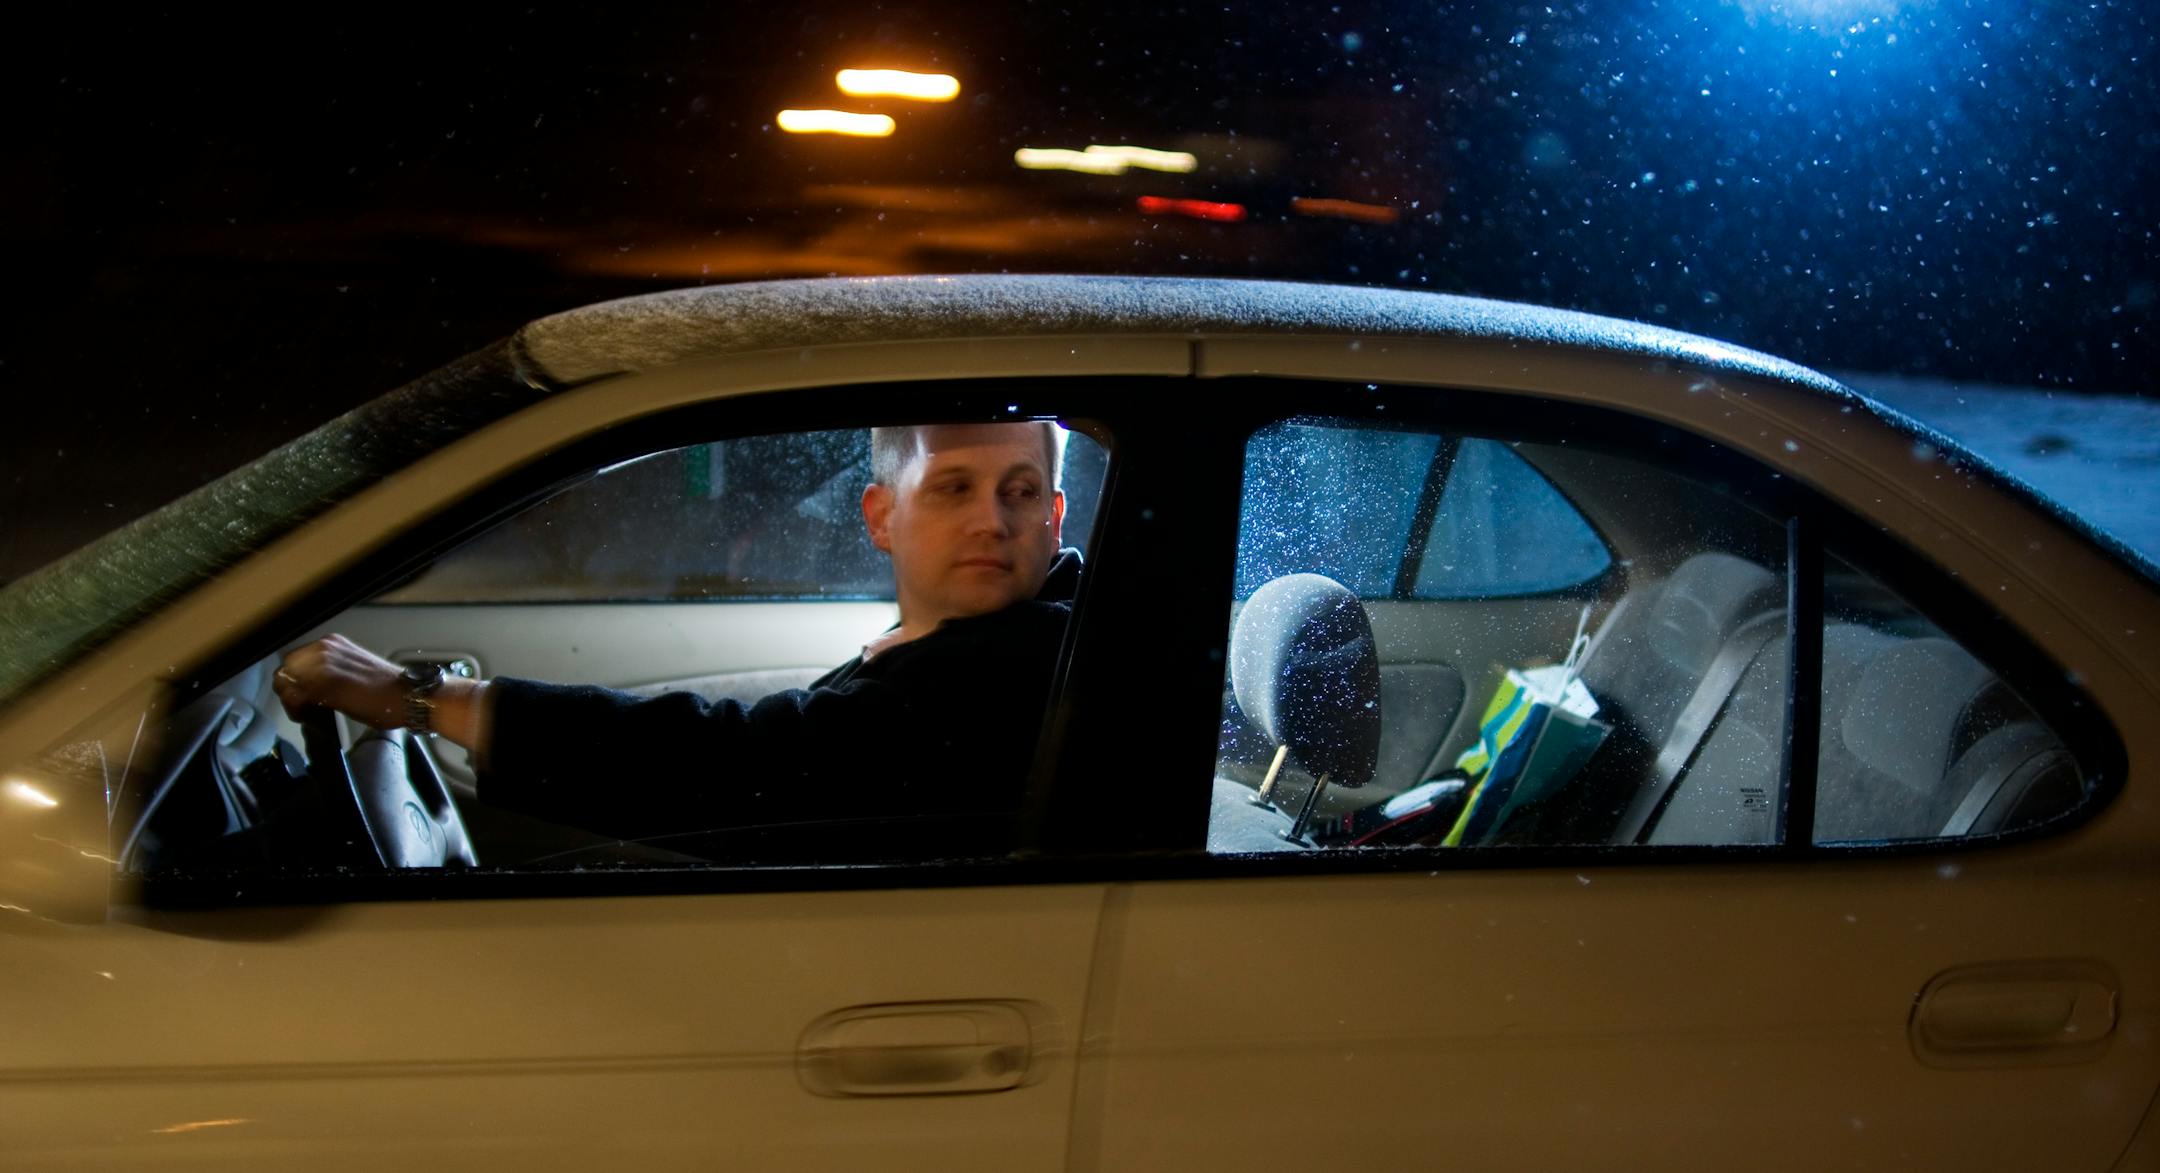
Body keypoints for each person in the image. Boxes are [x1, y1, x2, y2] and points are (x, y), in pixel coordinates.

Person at [273, 421, 1076, 844]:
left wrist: (418, 698)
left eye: (1022, 490)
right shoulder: (942, 650)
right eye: (953, 488)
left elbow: (734, 765)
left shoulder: (1026, 664)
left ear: (1055, 516)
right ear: (880, 518)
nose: (992, 520)